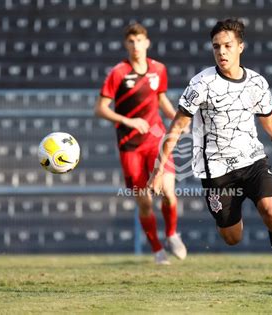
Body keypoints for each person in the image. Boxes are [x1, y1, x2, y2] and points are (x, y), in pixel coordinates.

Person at [148, 19, 272, 295]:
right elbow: (177, 127)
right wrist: (158, 170)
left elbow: (271, 124)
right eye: (216, 47)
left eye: (227, 46)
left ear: (240, 46)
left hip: (252, 161)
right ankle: (230, 214)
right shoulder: (201, 84)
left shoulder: (257, 83)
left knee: (271, 212)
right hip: (215, 171)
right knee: (232, 237)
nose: (222, 52)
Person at [94, 22, 187, 265]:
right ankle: (157, 250)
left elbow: (161, 99)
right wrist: (128, 120)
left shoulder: (159, 69)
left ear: (147, 43)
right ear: (126, 44)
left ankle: (171, 234)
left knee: (168, 192)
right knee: (144, 201)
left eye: (139, 40)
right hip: (129, 145)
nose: (136, 45)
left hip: (156, 140)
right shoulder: (118, 73)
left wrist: (177, 118)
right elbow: (101, 109)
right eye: (131, 41)